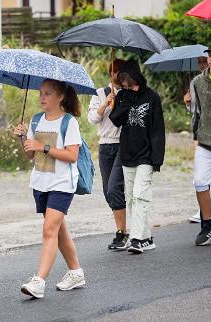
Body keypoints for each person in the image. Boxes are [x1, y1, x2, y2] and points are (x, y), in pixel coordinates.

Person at [14, 79, 85, 299]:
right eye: (41, 93)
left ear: (60, 96)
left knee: (48, 230)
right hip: (40, 182)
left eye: (47, 94)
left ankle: (39, 281)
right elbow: (30, 154)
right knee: (57, 229)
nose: (42, 97)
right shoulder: (36, 120)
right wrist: (24, 138)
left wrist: (42, 146)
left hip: (62, 184)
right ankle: (76, 272)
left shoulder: (69, 122)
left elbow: (72, 155)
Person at [109, 60, 165, 254]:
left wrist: (157, 159)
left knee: (141, 195)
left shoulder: (152, 97)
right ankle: (147, 237)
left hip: (146, 155)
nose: (124, 84)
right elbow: (115, 120)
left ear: (134, 76)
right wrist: (119, 101)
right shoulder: (123, 95)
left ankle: (136, 238)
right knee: (132, 198)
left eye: (126, 80)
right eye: (121, 81)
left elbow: (158, 129)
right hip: (127, 153)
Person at [88, 59, 128, 250]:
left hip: (124, 145)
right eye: (115, 72)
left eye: (121, 72)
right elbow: (92, 119)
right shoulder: (99, 93)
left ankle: (121, 233)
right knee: (107, 191)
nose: (118, 76)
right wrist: (105, 104)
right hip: (105, 146)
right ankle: (124, 229)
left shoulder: (130, 93)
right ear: (110, 74)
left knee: (114, 188)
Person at [191, 44, 211, 246]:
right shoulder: (198, 81)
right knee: (199, 181)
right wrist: (195, 136)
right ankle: (207, 225)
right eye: (210, 55)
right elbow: (195, 112)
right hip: (205, 140)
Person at [183, 56, 208, 224]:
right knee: (201, 175)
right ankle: (204, 212)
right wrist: (187, 102)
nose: (202, 65)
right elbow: (194, 109)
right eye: (200, 62)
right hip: (200, 129)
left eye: (204, 61)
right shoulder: (195, 81)